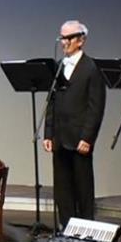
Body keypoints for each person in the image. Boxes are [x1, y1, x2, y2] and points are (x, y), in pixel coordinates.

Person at [41, 20, 105, 226]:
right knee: (63, 188)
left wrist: (88, 137)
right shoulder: (58, 67)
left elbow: (96, 107)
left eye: (68, 38)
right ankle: (66, 227)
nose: (63, 42)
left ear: (81, 40)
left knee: (83, 187)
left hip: (79, 138)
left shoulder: (92, 67)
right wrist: (48, 133)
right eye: (62, 37)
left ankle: (86, 229)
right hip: (59, 136)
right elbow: (51, 102)